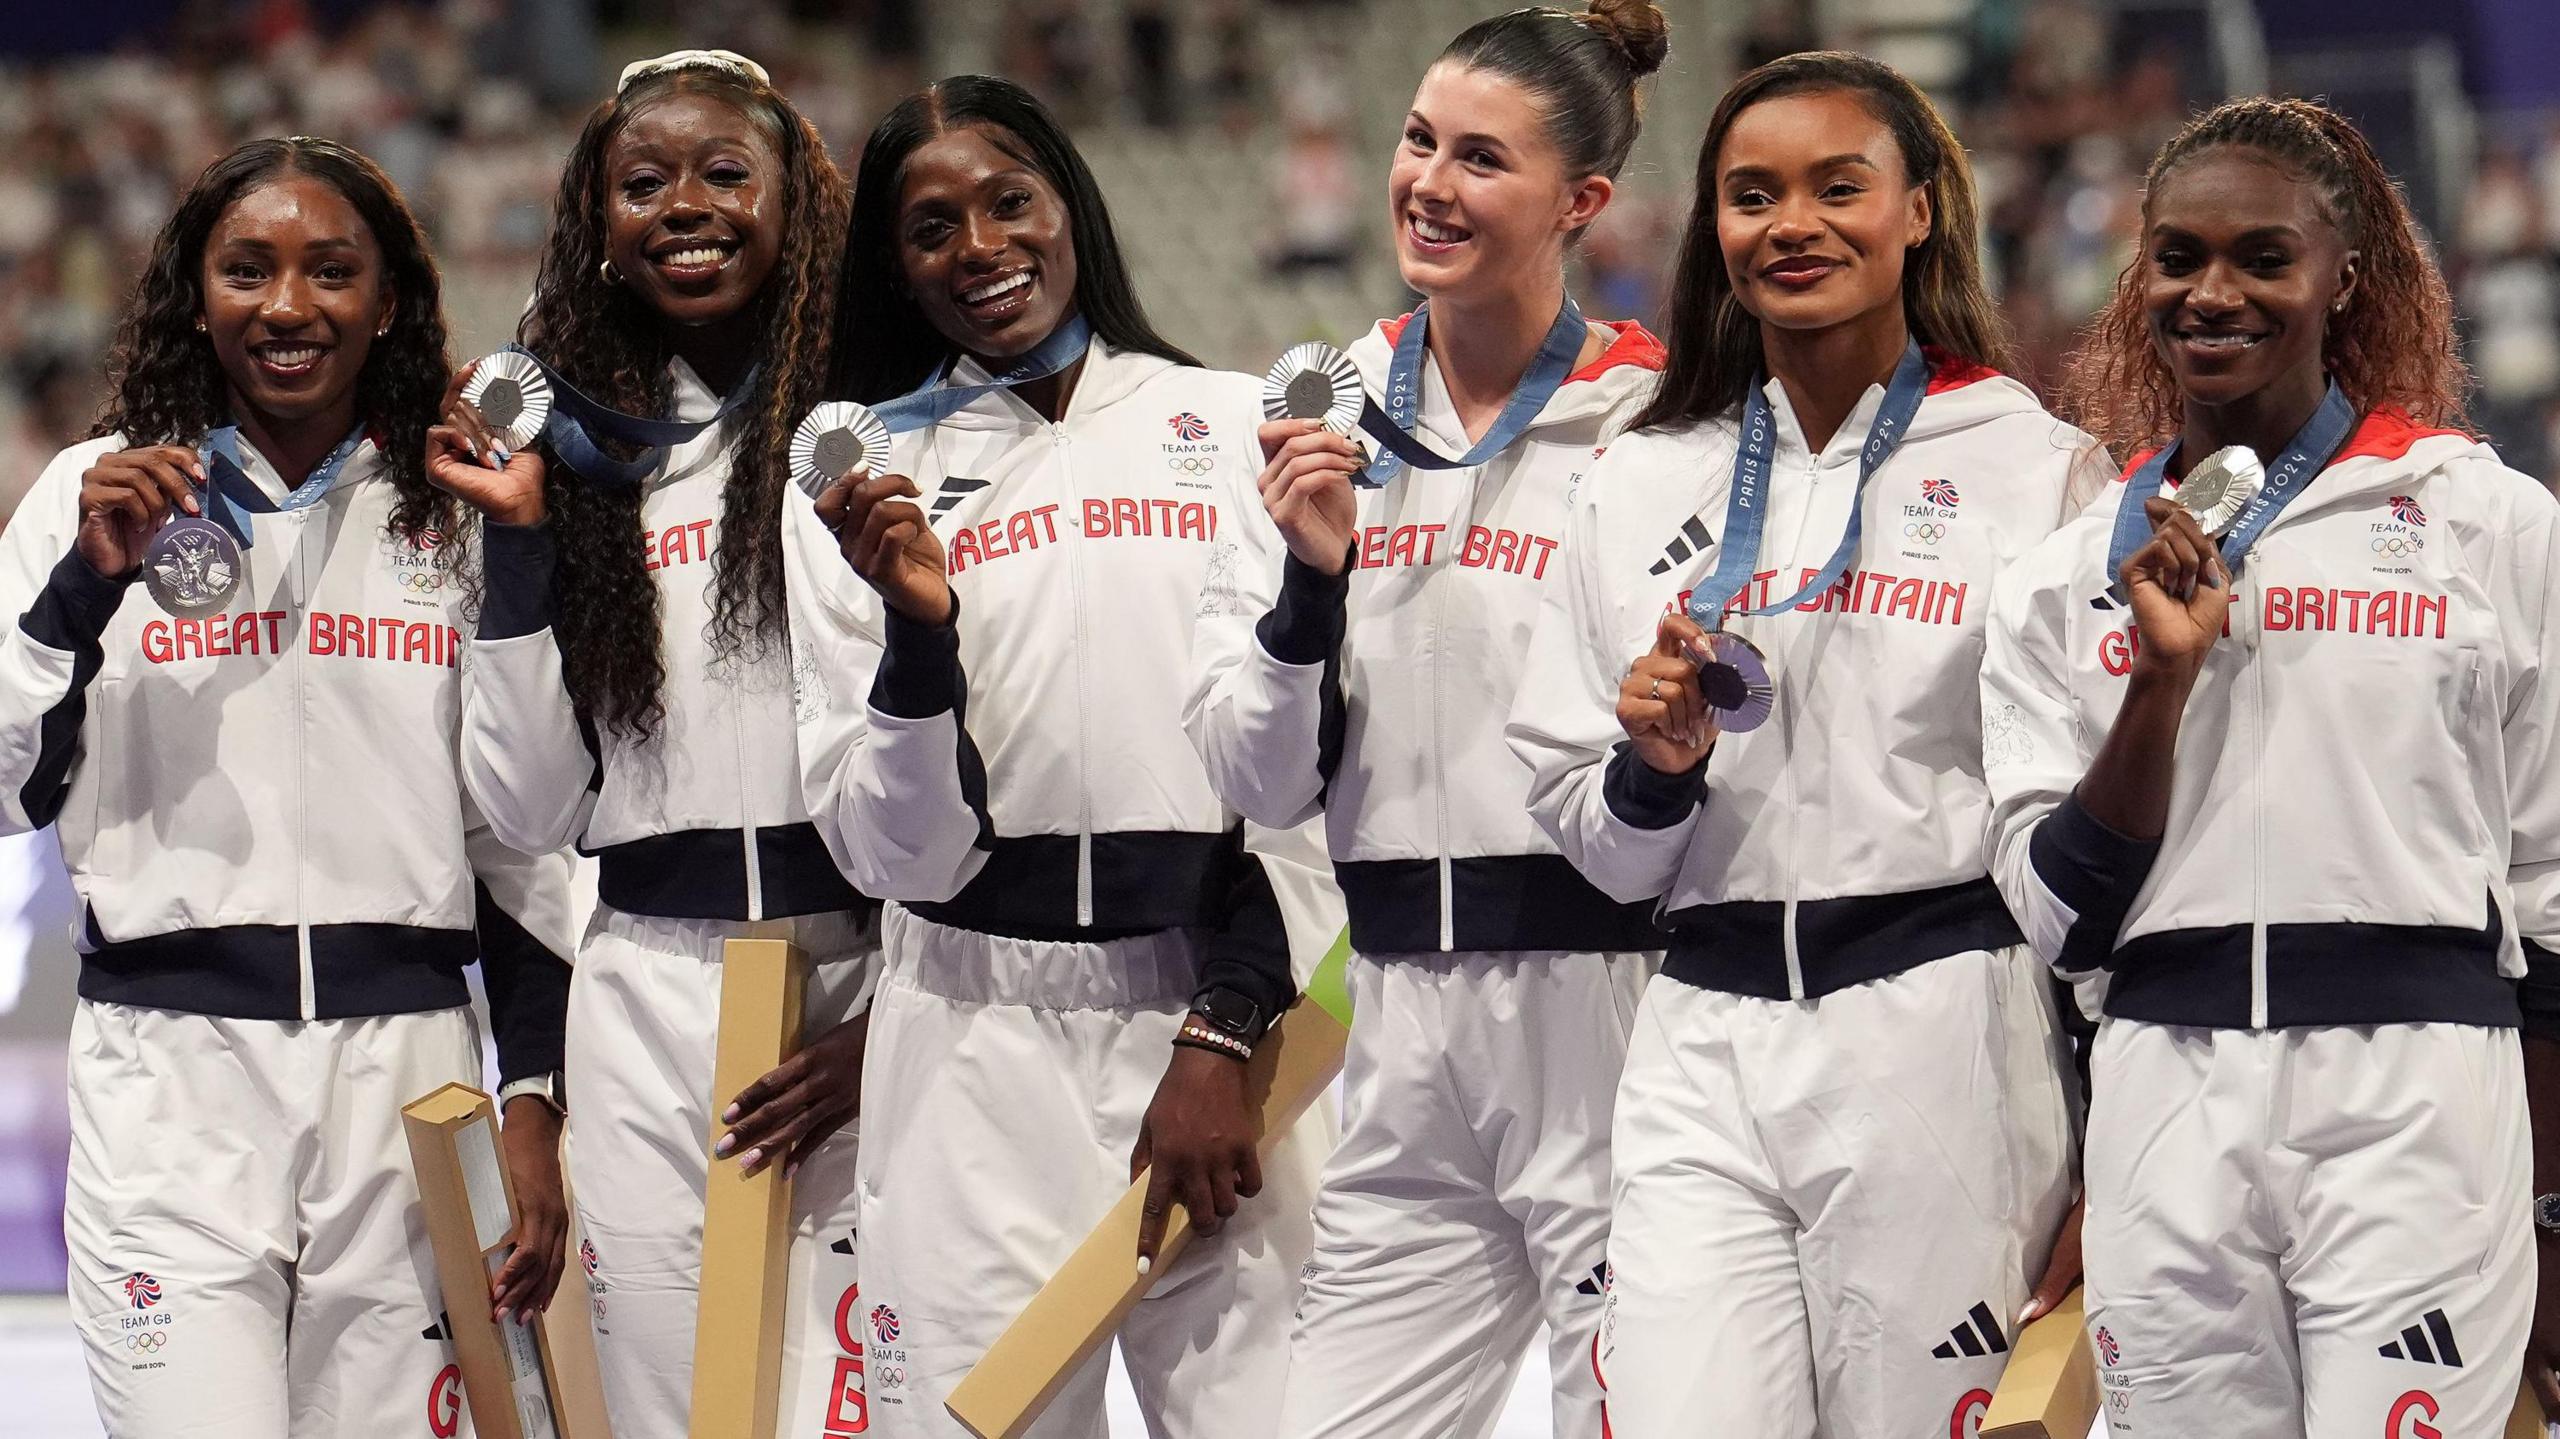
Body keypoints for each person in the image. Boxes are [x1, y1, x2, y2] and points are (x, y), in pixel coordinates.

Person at [1505, 52, 2097, 1438]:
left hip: (1942, 1027)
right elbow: (1593, 850)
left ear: (1920, 214)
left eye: (1841, 187)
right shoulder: (1637, 476)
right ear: (1713, 229)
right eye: (1752, 195)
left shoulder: (2039, 469)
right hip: (1699, 1033)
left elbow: (2088, 836)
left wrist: (2112, 1136)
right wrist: (1652, 770)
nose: (1794, 225)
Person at [1982, 95, 2560, 1437]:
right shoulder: (2065, 576)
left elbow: (2549, 888)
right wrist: (2157, 687)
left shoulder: (2485, 523)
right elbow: (2060, 913)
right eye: (2180, 258)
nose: (2214, 292)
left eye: (2261, 256)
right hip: (2162, 1092)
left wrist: (2550, 1211)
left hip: (2418, 1097)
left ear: (2343, 277)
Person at [0, 135, 577, 1437]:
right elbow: (4, 786)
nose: (288, 305)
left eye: (331, 270)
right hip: (171, 1092)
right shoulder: (89, 501)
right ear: (196, 294)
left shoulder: (459, 508)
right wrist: (81, 587)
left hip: (413, 1091)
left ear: (387, 301)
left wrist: (534, 1091)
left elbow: (529, 837)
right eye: (248, 269)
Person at [787, 73, 1328, 1438]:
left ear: (1071, 208)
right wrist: (921, 635)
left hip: (1214, 1028)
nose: (979, 246)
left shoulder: (1229, 422)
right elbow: (894, 851)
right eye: (930, 227)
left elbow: (1295, 785)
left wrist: (1223, 1024)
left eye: (1009, 200)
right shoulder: (857, 476)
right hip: (966, 1040)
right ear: (894, 271)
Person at [1185, 5, 1671, 1433]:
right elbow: (1261, 781)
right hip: (1396, 1010)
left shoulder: (1650, 422)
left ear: (1581, 201)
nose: (1428, 184)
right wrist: (1308, 584)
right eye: (1416, 142)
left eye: (1480, 159)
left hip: (1617, 1011)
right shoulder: (1308, 419)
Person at [430, 51, 876, 1439]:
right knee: (671, 1412)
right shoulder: (563, 456)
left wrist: (894, 1020)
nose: (687, 205)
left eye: (727, 173)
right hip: (644, 992)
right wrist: (514, 552)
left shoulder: (875, 417)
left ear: (797, 200)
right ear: (595, 225)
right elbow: (522, 798)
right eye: (644, 183)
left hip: (859, 980)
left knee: (855, 1404)